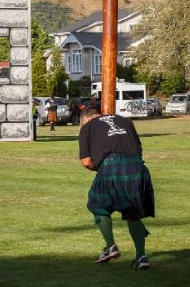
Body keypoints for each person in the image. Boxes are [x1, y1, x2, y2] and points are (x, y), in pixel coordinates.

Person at [78, 106, 155, 270]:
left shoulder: (87, 126)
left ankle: (111, 246)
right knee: (132, 212)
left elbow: (86, 161)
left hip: (110, 166)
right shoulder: (125, 120)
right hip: (138, 167)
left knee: (97, 204)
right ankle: (141, 256)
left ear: (85, 118)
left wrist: (102, 170)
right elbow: (138, 149)